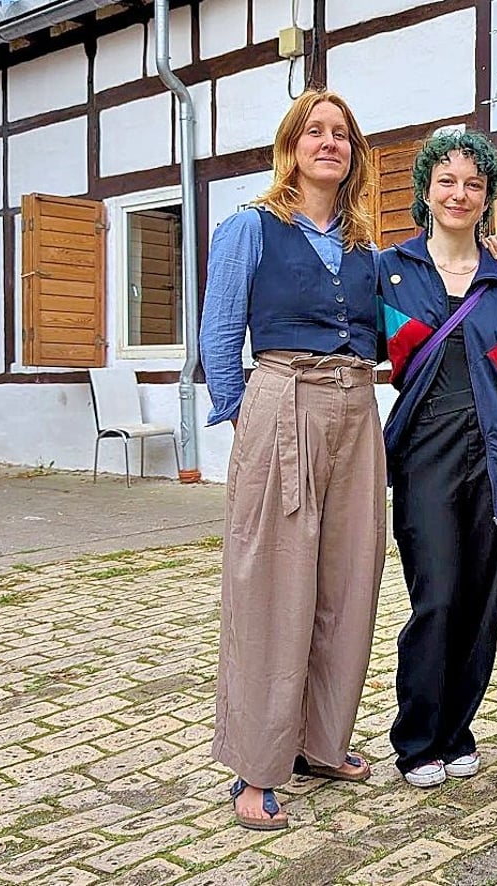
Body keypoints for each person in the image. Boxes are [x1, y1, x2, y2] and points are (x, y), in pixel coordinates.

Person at [200, 89, 387, 829]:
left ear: (354, 154)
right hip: (285, 393)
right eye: (316, 130)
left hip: (357, 404)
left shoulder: (364, 243)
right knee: (273, 587)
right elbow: (220, 338)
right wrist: (253, 419)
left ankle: (320, 741)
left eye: (342, 133)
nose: (330, 142)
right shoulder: (251, 226)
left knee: (349, 580)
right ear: (292, 145)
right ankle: (256, 766)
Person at [380, 130, 497, 788]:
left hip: (494, 452)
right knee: (435, 597)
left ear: (488, 197)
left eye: (473, 183)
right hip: (423, 453)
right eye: (447, 181)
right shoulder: (389, 270)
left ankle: (458, 728)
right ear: (425, 191)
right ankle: (417, 739)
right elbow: (359, 359)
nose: (459, 193)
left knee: (480, 601)